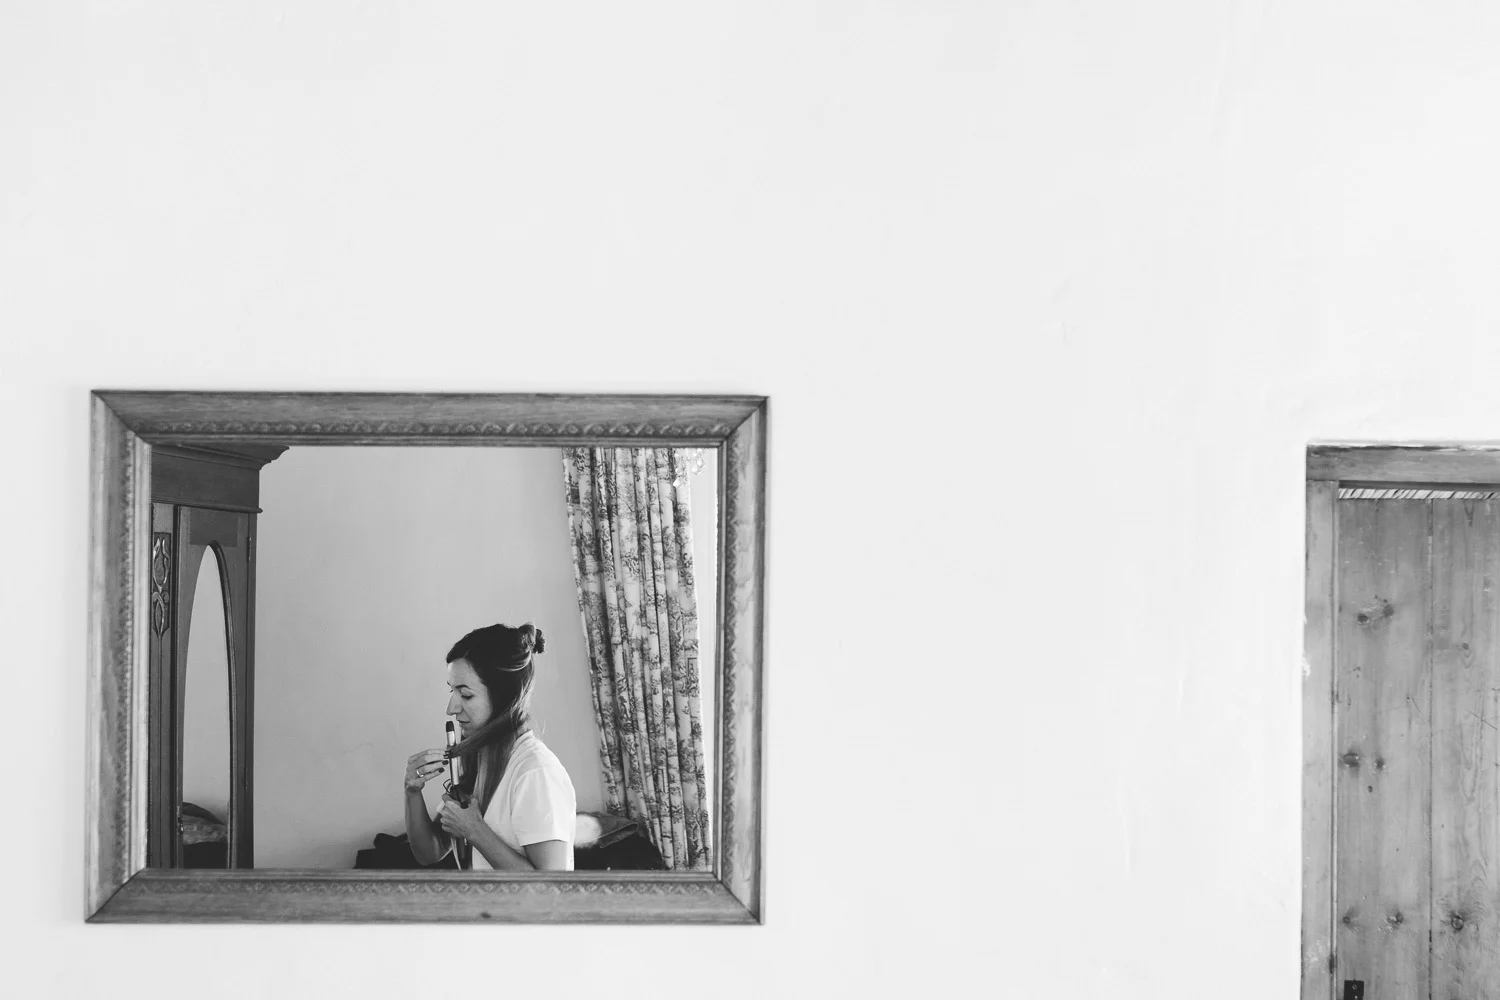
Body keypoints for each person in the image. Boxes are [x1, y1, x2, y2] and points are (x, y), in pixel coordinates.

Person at [402, 623, 577, 870]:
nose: (451, 708)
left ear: (503, 697)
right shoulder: (479, 761)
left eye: (466, 695)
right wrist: (412, 791)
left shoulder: (535, 772)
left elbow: (550, 887)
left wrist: (475, 831)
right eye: (452, 691)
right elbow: (430, 852)